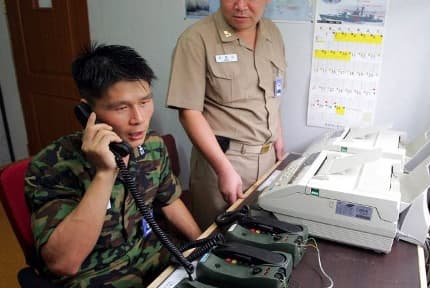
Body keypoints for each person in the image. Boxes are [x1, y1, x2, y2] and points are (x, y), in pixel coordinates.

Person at [25, 44, 201, 287]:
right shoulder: (52, 165)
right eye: (121, 107)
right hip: (94, 275)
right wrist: (105, 173)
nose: (138, 119)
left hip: (152, 256)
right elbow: (64, 262)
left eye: (144, 102)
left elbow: (169, 200)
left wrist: (204, 248)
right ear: (87, 111)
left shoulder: (152, 146)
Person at [166, 0, 287, 229]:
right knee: (220, 246)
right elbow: (189, 112)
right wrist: (224, 170)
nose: (241, 6)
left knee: (262, 241)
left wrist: (278, 137)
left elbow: (273, 94)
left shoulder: (272, 32)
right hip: (224, 165)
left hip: (268, 158)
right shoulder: (195, 40)